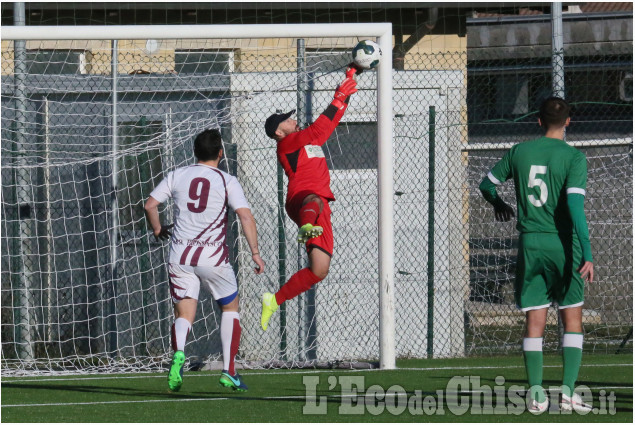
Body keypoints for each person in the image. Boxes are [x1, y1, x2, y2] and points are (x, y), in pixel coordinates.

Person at [479, 97, 594, 414]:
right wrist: (588, 252)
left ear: (538, 121)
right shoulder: (574, 157)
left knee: (534, 319)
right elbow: (574, 206)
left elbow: (486, 185)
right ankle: (568, 392)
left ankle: (536, 396)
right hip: (563, 245)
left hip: (530, 244)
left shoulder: (520, 151)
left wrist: (500, 205)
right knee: (571, 317)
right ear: (568, 122)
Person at [144, 128, 264, 392]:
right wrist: (255, 252)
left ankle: (178, 355)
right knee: (230, 307)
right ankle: (229, 371)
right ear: (220, 153)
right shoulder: (226, 180)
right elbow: (245, 216)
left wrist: (157, 229)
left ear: (194, 152)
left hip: (180, 257)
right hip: (213, 257)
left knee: (184, 314)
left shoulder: (178, 174)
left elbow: (150, 205)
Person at [259, 65, 359, 331]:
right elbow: (318, 130)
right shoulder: (287, 143)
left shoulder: (303, 140)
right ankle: (305, 226)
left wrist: (348, 85)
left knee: (319, 270)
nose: (293, 120)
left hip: (318, 208)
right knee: (314, 198)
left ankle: (274, 299)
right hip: (302, 200)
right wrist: (338, 96)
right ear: (278, 132)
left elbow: (328, 125)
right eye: (286, 120)